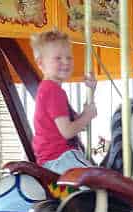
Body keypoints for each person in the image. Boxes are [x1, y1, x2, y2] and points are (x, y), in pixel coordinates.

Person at [30, 30, 97, 173]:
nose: (65, 62)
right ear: (41, 63)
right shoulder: (53, 91)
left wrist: (91, 91)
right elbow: (67, 131)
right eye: (58, 58)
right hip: (60, 157)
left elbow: (77, 126)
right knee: (103, 180)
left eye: (69, 58)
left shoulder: (48, 89)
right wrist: (87, 116)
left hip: (55, 158)